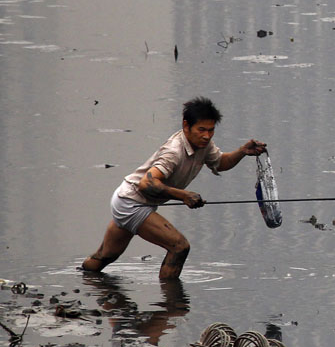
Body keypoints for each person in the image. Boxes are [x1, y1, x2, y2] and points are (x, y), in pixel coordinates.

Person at [81, 97, 266, 280]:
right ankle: (171, 301)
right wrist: (184, 195)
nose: (206, 136)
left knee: (105, 257)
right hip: (132, 203)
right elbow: (147, 183)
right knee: (179, 246)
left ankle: (82, 280)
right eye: (201, 130)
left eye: (211, 130)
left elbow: (220, 162)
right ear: (186, 125)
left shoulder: (204, 145)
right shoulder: (174, 151)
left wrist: (242, 151)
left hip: (126, 200)